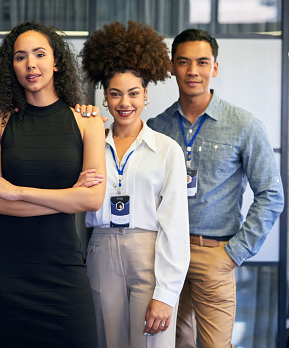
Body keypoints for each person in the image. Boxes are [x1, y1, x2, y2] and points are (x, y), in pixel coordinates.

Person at [147, 29, 284, 348]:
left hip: (215, 253)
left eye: (202, 62)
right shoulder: (156, 127)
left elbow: (271, 196)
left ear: (215, 68)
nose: (192, 71)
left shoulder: (244, 125)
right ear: (172, 67)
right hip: (166, 256)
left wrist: (234, 253)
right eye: (183, 62)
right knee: (172, 344)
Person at [0, 21, 106, 347]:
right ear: (12, 67)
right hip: (8, 274)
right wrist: (67, 197)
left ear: (56, 61)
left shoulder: (87, 122)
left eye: (39, 54)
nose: (31, 64)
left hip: (64, 271)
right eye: (21, 57)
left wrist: (16, 192)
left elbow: (92, 200)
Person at [80, 21, 190, 348]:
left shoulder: (167, 149)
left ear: (146, 95)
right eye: (115, 93)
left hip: (149, 253)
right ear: (104, 97)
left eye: (133, 93)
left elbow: (175, 225)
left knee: (153, 341)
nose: (124, 102)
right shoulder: (90, 142)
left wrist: (166, 294)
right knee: (107, 342)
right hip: (100, 249)